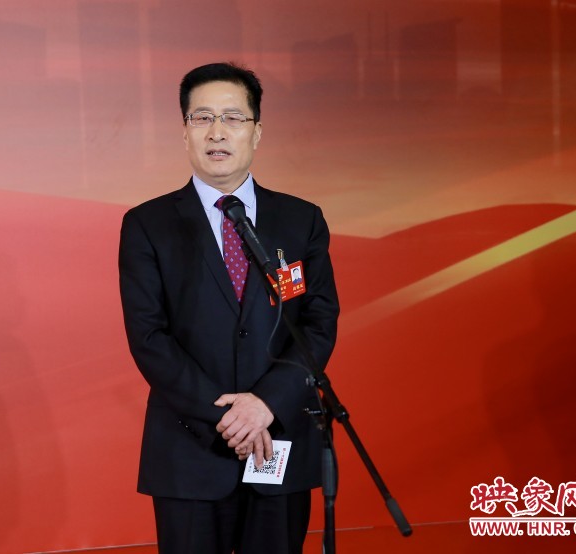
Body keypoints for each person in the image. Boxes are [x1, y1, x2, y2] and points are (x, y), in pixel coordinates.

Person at [118, 62, 340, 554]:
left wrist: (265, 404)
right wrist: (229, 417)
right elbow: (149, 337)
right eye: (202, 118)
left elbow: (318, 323)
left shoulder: (300, 220)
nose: (217, 132)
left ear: (256, 132)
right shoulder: (148, 225)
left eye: (233, 118)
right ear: (185, 131)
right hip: (190, 448)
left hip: (278, 437)